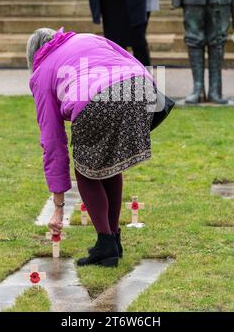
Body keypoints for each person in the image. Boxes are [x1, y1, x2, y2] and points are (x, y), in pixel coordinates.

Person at [27, 27, 160, 267]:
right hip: (140, 88)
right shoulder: (86, 37)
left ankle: (106, 243)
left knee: (86, 171)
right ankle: (113, 239)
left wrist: (58, 205)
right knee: (110, 163)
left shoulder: (42, 72)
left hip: (95, 97)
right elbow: (131, 59)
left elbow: (52, 141)